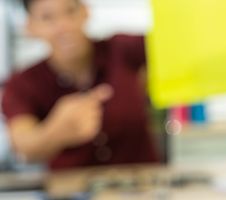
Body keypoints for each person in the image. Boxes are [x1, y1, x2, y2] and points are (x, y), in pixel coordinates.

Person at [1, 0, 158, 170]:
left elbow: (175, 45)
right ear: (30, 27)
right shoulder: (22, 83)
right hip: (70, 192)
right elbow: (23, 145)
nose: (63, 26)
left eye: (70, 11)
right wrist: (56, 131)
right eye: (47, 18)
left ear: (85, 11)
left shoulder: (122, 49)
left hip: (143, 188)